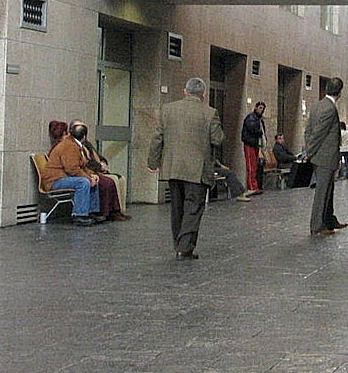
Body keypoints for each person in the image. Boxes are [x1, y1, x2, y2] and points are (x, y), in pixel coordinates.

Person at [147, 77, 224, 259]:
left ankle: (178, 243)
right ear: (203, 94)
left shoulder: (168, 110)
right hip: (197, 170)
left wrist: (153, 162)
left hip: (174, 168)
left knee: (177, 208)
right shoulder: (210, 113)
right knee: (193, 208)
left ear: (185, 91)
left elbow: (157, 137)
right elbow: (218, 139)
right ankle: (185, 247)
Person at [67, 120, 131, 221]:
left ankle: (116, 210)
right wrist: (93, 172)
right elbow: (79, 165)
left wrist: (103, 163)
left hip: (90, 170)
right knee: (107, 182)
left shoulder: (86, 144)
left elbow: (94, 158)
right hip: (89, 171)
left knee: (119, 179)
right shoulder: (71, 146)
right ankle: (103, 212)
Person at [305, 77, 345, 235]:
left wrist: (309, 149)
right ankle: (317, 225)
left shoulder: (317, 106)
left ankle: (329, 220)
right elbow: (318, 133)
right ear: (340, 92)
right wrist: (309, 152)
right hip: (325, 156)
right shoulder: (329, 108)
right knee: (322, 192)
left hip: (319, 156)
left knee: (328, 190)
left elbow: (308, 130)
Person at [42, 121, 102, 226]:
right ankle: (79, 215)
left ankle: (92, 212)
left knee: (91, 180)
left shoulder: (73, 144)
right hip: (54, 181)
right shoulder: (69, 146)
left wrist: (91, 175)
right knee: (83, 182)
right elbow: (72, 169)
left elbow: (80, 166)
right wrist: (88, 178)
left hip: (61, 177)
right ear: (84, 137)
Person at [240, 101, 266, 196]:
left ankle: (255, 186)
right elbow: (253, 129)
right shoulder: (251, 118)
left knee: (254, 166)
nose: (261, 110)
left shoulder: (258, 119)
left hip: (255, 144)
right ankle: (252, 186)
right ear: (255, 108)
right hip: (249, 144)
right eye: (260, 108)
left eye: (263, 108)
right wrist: (259, 132)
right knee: (251, 166)